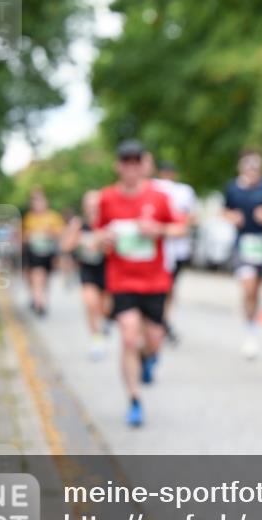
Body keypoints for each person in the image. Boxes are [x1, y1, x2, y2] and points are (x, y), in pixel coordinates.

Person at [97, 140, 185, 427]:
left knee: (154, 340)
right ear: (118, 165)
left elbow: (181, 227)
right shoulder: (107, 198)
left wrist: (158, 229)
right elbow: (96, 237)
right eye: (125, 162)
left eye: (136, 162)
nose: (131, 167)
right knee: (128, 335)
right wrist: (104, 239)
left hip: (154, 281)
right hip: (121, 280)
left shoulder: (158, 197)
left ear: (143, 164)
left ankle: (149, 359)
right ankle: (134, 399)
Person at [223, 150, 262, 359]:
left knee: (256, 290)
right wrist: (232, 216)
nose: (252, 171)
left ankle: (252, 326)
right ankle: (249, 331)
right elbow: (224, 210)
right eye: (248, 167)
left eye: (256, 167)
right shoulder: (233, 189)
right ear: (242, 168)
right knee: (247, 286)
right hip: (242, 243)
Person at [61, 190, 111, 360]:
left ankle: (103, 325)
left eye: (95, 205)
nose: (92, 208)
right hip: (87, 269)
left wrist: (102, 242)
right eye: (89, 205)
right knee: (90, 304)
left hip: (107, 270)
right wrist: (76, 235)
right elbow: (66, 247)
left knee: (105, 308)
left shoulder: (108, 222)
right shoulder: (79, 225)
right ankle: (96, 340)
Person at [153, 161, 198, 344]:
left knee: (170, 287)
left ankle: (164, 320)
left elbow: (192, 217)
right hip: (159, 248)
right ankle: (160, 321)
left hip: (178, 248)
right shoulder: (154, 188)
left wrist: (180, 220)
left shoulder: (184, 191)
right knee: (160, 286)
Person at [21, 188, 64, 317]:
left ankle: (39, 299)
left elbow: (60, 233)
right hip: (33, 253)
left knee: (44, 278)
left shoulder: (53, 217)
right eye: (35, 203)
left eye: (40, 202)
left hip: (48, 253)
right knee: (36, 276)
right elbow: (23, 236)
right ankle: (39, 302)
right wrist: (30, 235)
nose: (38, 205)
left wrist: (48, 232)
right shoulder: (29, 218)